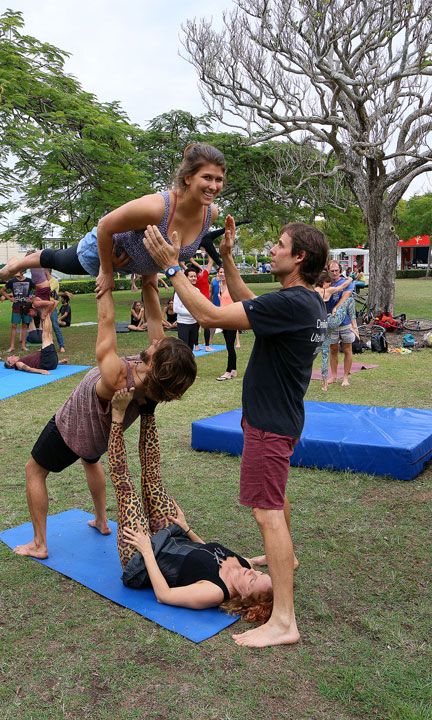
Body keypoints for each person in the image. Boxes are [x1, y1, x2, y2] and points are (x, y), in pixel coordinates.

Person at [143, 216, 329, 647]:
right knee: (274, 503)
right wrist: (225, 258)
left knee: (266, 513)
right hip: (279, 419)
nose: (273, 250)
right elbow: (246, 301)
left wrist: (173, 267)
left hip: (270, 425)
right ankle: (290, 559)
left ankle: (284, 620)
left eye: (279, 245)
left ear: (299, 257)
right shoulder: (302, 302)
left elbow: (210, 313)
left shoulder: (294, 304)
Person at [12, 277, 197, 559]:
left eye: (159, 346)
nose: (156, 340)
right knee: (91, 460)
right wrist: (148, 282)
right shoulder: (155, 386)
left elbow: (106, 323)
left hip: (72, 430)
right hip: (99, 438)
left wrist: (106, 282)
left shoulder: (118, 376)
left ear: (157, 364)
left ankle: (39, 543)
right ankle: (101, 520)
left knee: (33, 470)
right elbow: (156, 320)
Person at [109, 388, 274, 618]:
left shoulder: (214, 593)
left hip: (141, 559)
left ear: (244, 597)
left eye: (253, 581)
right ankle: (147, 408)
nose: (251, 572)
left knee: (125, 488)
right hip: (172, 534)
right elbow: (208, 554)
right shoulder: (243, 565)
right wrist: (187, 528)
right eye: (258, 573)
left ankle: (116, 416)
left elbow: (164, 595)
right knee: (153, 475)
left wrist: (146, 550)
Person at [0, 143, 225, 303]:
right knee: (58, 259)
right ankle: (17, 265)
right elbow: (106, 224)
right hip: (105, 248)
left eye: (219, 179)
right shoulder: (156, 207)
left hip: (138, 261)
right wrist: (106, 272)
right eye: (207, 177)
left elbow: (160, 250)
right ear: (188, 178)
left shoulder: (210, 214)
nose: (213, 186)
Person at [315, 271, 358, 391]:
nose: (330, 285)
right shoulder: (327, 291)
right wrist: (351, 278)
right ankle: (354, 326)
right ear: (324, 282)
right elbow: (342, 287)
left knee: (324, 354)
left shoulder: (312, 292)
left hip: (322, 325)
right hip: (332, 321)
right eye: (328, 283)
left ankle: (324, 384)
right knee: (349, 300)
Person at [4, 302, 67, 374]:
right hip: (47, 361)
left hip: (51, 361)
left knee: (48, 334)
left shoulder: (22, 360)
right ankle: (45, 311)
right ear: (11, 363)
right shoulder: (18, 364)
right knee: (46, 335)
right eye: (11, 357)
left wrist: (59, 362)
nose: (13, 355)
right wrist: (41, 371)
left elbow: (35, 362)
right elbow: (28, 369)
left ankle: (46, 312)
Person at [327, 260, 356, 387]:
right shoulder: (325, 284)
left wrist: (335, 308)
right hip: (331, 323)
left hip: (345, 322)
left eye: (336, 271)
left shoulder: (346, 283)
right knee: (332, 349)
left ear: (340, 270)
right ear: (328, 271)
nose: (334, 273)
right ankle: (333, 376)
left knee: (347, 349)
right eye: (332, 271)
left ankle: (345, 377)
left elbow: (345, 297)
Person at [1, 270, 36, 352]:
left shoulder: (29, 281)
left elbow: (38, 290)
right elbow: (2, 290)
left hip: (26, 307)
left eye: (17, 272)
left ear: (22, 272)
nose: (15, 274)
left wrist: (32, 299)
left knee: (24, 326)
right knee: (14, 326)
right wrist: (9, 298)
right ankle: (12, 346)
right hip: (16, 306)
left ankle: (23, 345)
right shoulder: (12, 281)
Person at [188, 254, 215, 351]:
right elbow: (210, 262)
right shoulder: (204, 275)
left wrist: (188, 260)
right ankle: (207, 346)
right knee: (206, 324)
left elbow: (186, 270)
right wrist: (208, 252)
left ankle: (196, 346)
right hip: (205, 302)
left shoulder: (192, 279)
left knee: (196, 324)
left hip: (196, 302)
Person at [216, 272, 238, 381]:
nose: (222, 274)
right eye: (220, 272)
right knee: (229, 346)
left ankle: (228, 371)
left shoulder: (231, 286)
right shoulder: (220, 285)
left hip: (231, 318)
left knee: (229, 345)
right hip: (223, 318)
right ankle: (233, 369)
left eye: (224, 272)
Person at [173, 269, 200, 351]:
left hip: (194, 323)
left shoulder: (197, 291)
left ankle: (190, 363)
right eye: (191, 276)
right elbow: (176, 309)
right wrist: (191, 312)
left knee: (190, 349)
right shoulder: (179, 291)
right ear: (186, 278)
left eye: (195, 276)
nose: (194, 278)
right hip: (183, 323)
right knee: (183, 349)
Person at [45, 269, 66, 353]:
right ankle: (47, 346)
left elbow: (47, 290)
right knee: (45, 328)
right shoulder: (43, 281)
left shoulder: (54, 281)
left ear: (47, 270)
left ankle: (62, 346)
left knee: (55, 327)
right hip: (44, 306)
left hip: (52, 307)